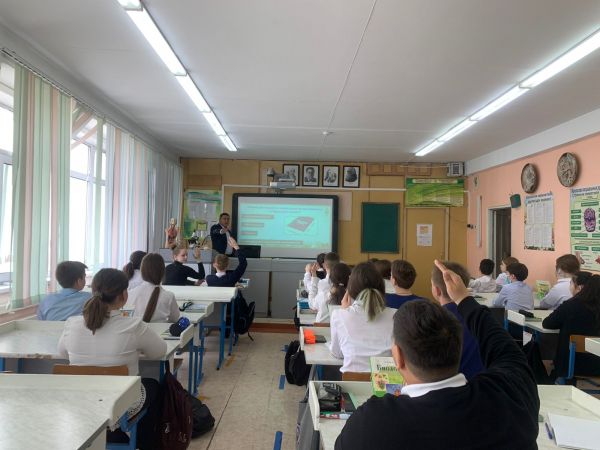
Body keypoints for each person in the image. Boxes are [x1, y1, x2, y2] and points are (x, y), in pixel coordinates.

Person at [334, 260, 540, 450]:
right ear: (458, 347)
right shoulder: (512, 396)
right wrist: (464, 299)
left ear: (398, 357)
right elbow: (503, 347)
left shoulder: (372, 424)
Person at [57, 268, 167, 450]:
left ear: (93, 291)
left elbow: (63, 354)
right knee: (154, 385)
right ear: (124, 295)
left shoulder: (72, 323)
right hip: (119, 405)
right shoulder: (133, 325)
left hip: (80, 402)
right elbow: (159, 352)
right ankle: (143, 443)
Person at [329, 262, 396, 373]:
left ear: (351, 288)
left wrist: (344, 312)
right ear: (382, 285)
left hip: (352, 382)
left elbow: (337, 353)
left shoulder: (339, 315)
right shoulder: (396, 315)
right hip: (387, 381)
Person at [542, 272, 600, 382]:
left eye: (571, 283)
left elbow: (547, 323)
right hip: (597, 365)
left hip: (571, 364)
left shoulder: (571, 305)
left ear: (581, 288)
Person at [430, 261, 484, 380]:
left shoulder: (433, 320)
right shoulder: (480, 318)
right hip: (483, 383)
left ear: (437, 290)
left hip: (448, 385)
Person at [129, 253, 180, 323]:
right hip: (160, 330)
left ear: (142, 270)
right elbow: (175, 319)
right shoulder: (169, 296)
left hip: (136, 329)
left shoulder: (131, 293)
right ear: (163, 272)